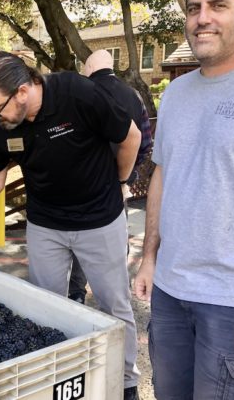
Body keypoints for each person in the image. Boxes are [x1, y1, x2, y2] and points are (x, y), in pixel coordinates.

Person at [0, 51, 142, 400]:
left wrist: (120, 181)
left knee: (114, 305)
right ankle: (57, 379)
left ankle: (126, 383)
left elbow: (130, 136)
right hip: (45, 225)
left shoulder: (76, 93)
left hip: (99, 219)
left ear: (22, 91)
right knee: (45, 308)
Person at [134, 0, 234, 399]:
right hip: (170, 290)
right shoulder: (178, 92)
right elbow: (164, 176)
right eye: (193, 8)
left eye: (218, 6)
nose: (202, 19)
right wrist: (149, 257)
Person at [68, 49, 153, 303]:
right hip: (119, 183)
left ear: (90, 67)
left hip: (84, 183)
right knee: (116, 237)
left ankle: (76, 293)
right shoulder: (134, 96)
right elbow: (145, 142)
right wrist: (126, 175)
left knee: (80, 240)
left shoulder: (79, 94)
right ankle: (117, 291)